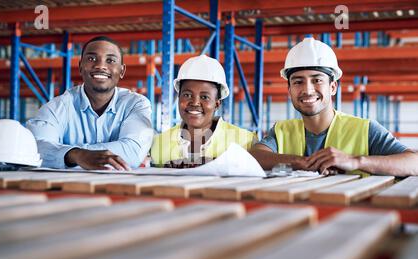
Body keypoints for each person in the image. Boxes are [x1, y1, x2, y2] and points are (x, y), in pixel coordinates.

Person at [250, 37, 418, 177]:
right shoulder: (281, 131)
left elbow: (414, 163)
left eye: (317, 80)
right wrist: (301, 162)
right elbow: (254, 157)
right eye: (298, 82)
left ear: (333, 87)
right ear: (289, 90)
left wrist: (355, 161)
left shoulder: (364, 130)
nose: (307, 90)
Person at [27, 36, 153, 170]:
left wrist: (74, 155)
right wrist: (76, 155)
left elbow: (133, 151)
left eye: (110, 60)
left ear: (122, 71)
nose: (100, 66)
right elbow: (34, 148)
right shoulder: (58, 106)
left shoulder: (135, 104)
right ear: (80, 67)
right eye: (92, 59)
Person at [150, 55, 257, 168]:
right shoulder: (158, 144)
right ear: (179, 98)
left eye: (204, 97)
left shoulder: (246, 142)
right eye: (187, 95)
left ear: (217, 104)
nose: (195, 103)